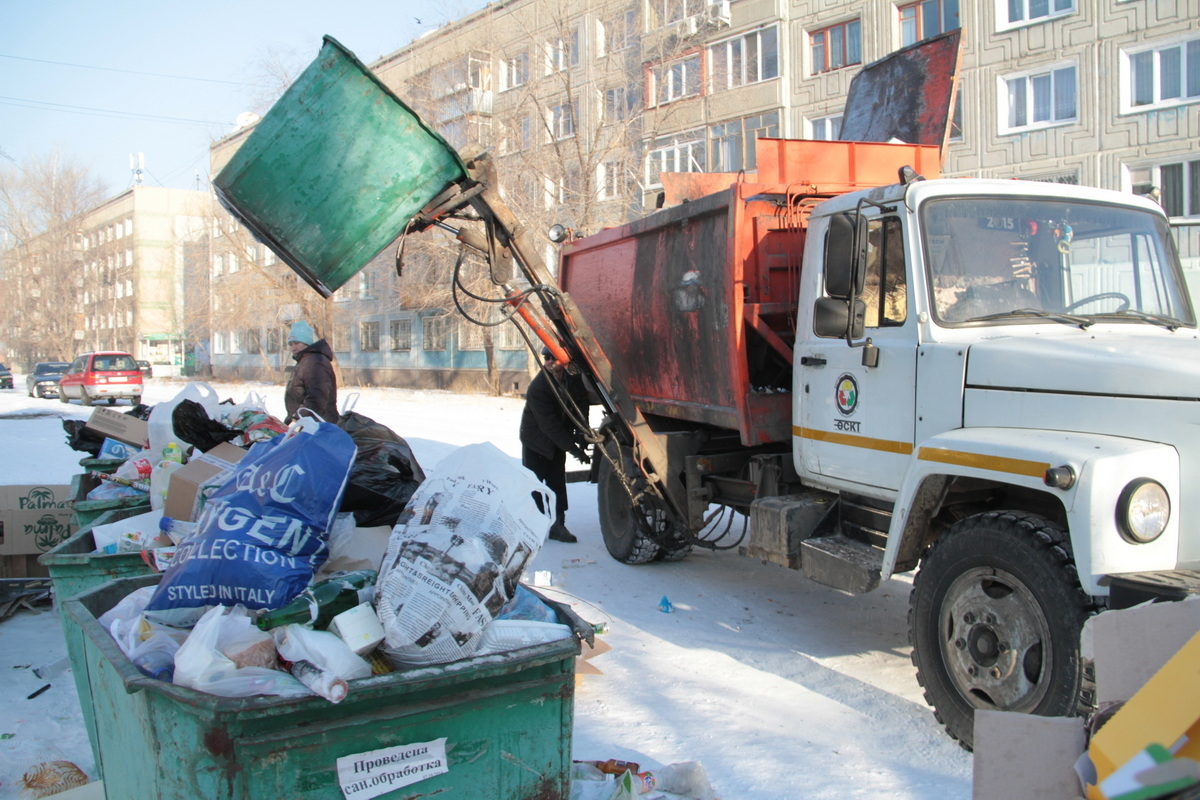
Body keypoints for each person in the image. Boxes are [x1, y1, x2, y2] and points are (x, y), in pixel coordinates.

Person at [520, 347, 591, 543]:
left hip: (559, 439)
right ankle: (534, 526)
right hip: (536, 441)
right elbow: (549, 425)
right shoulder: (539, 387)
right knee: (535, 485)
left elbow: (582, 402)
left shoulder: (571, 379)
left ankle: (558, 525)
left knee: (557, 484)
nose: (550, 361)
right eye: (547, 358)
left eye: (554, 358)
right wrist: (574, 449)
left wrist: (582, 432)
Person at [283, 319, 339, 424]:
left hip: (317, 425)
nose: (293, 348)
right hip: (305, 423)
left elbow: (317, 397)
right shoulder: (304, 361)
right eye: (291, 344)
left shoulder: (316, 362)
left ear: (306, 343)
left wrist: (299, 420)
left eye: (297, 343)